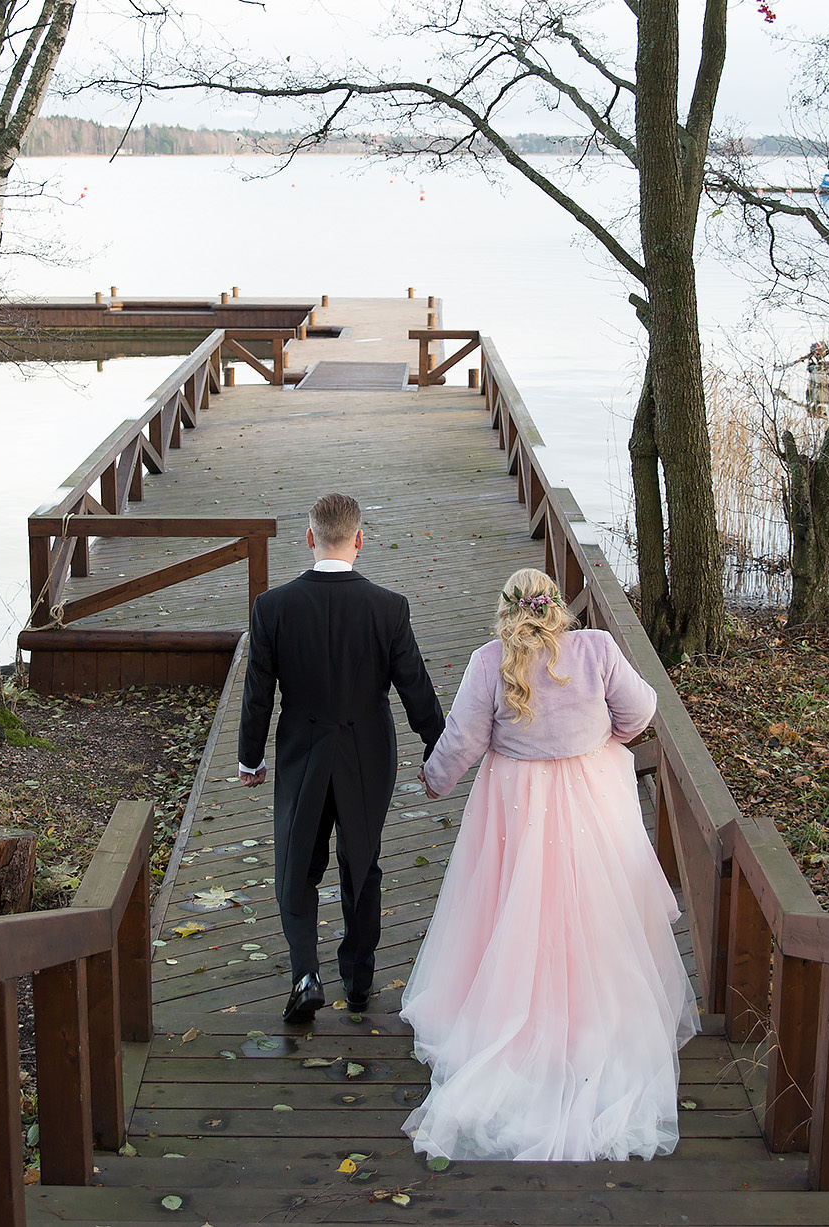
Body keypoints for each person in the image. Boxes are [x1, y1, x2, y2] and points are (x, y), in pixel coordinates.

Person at [400, 567, 697, 1161]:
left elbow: (463, 738)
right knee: (591, 906)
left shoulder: (490, 662)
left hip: (517, 806)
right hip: (592, 796)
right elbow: (641, 713)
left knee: (517, 907)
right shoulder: (598, 649)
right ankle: (594, 1022)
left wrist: (435, 781)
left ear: (506, 609)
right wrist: (601, 733)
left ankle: (515, 1017)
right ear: (556, 604)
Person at [239, 491, 446, 1025]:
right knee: (361, 864)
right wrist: (437, 746)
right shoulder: (388, 607)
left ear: (310, 538)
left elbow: (258, 692)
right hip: (367, 753)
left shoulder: (273, 607)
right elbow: (414, 686)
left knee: (297, 864)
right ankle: (358, 982)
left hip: (301, 753)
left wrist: (249, 758)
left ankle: (305, 974)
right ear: (360, 540)